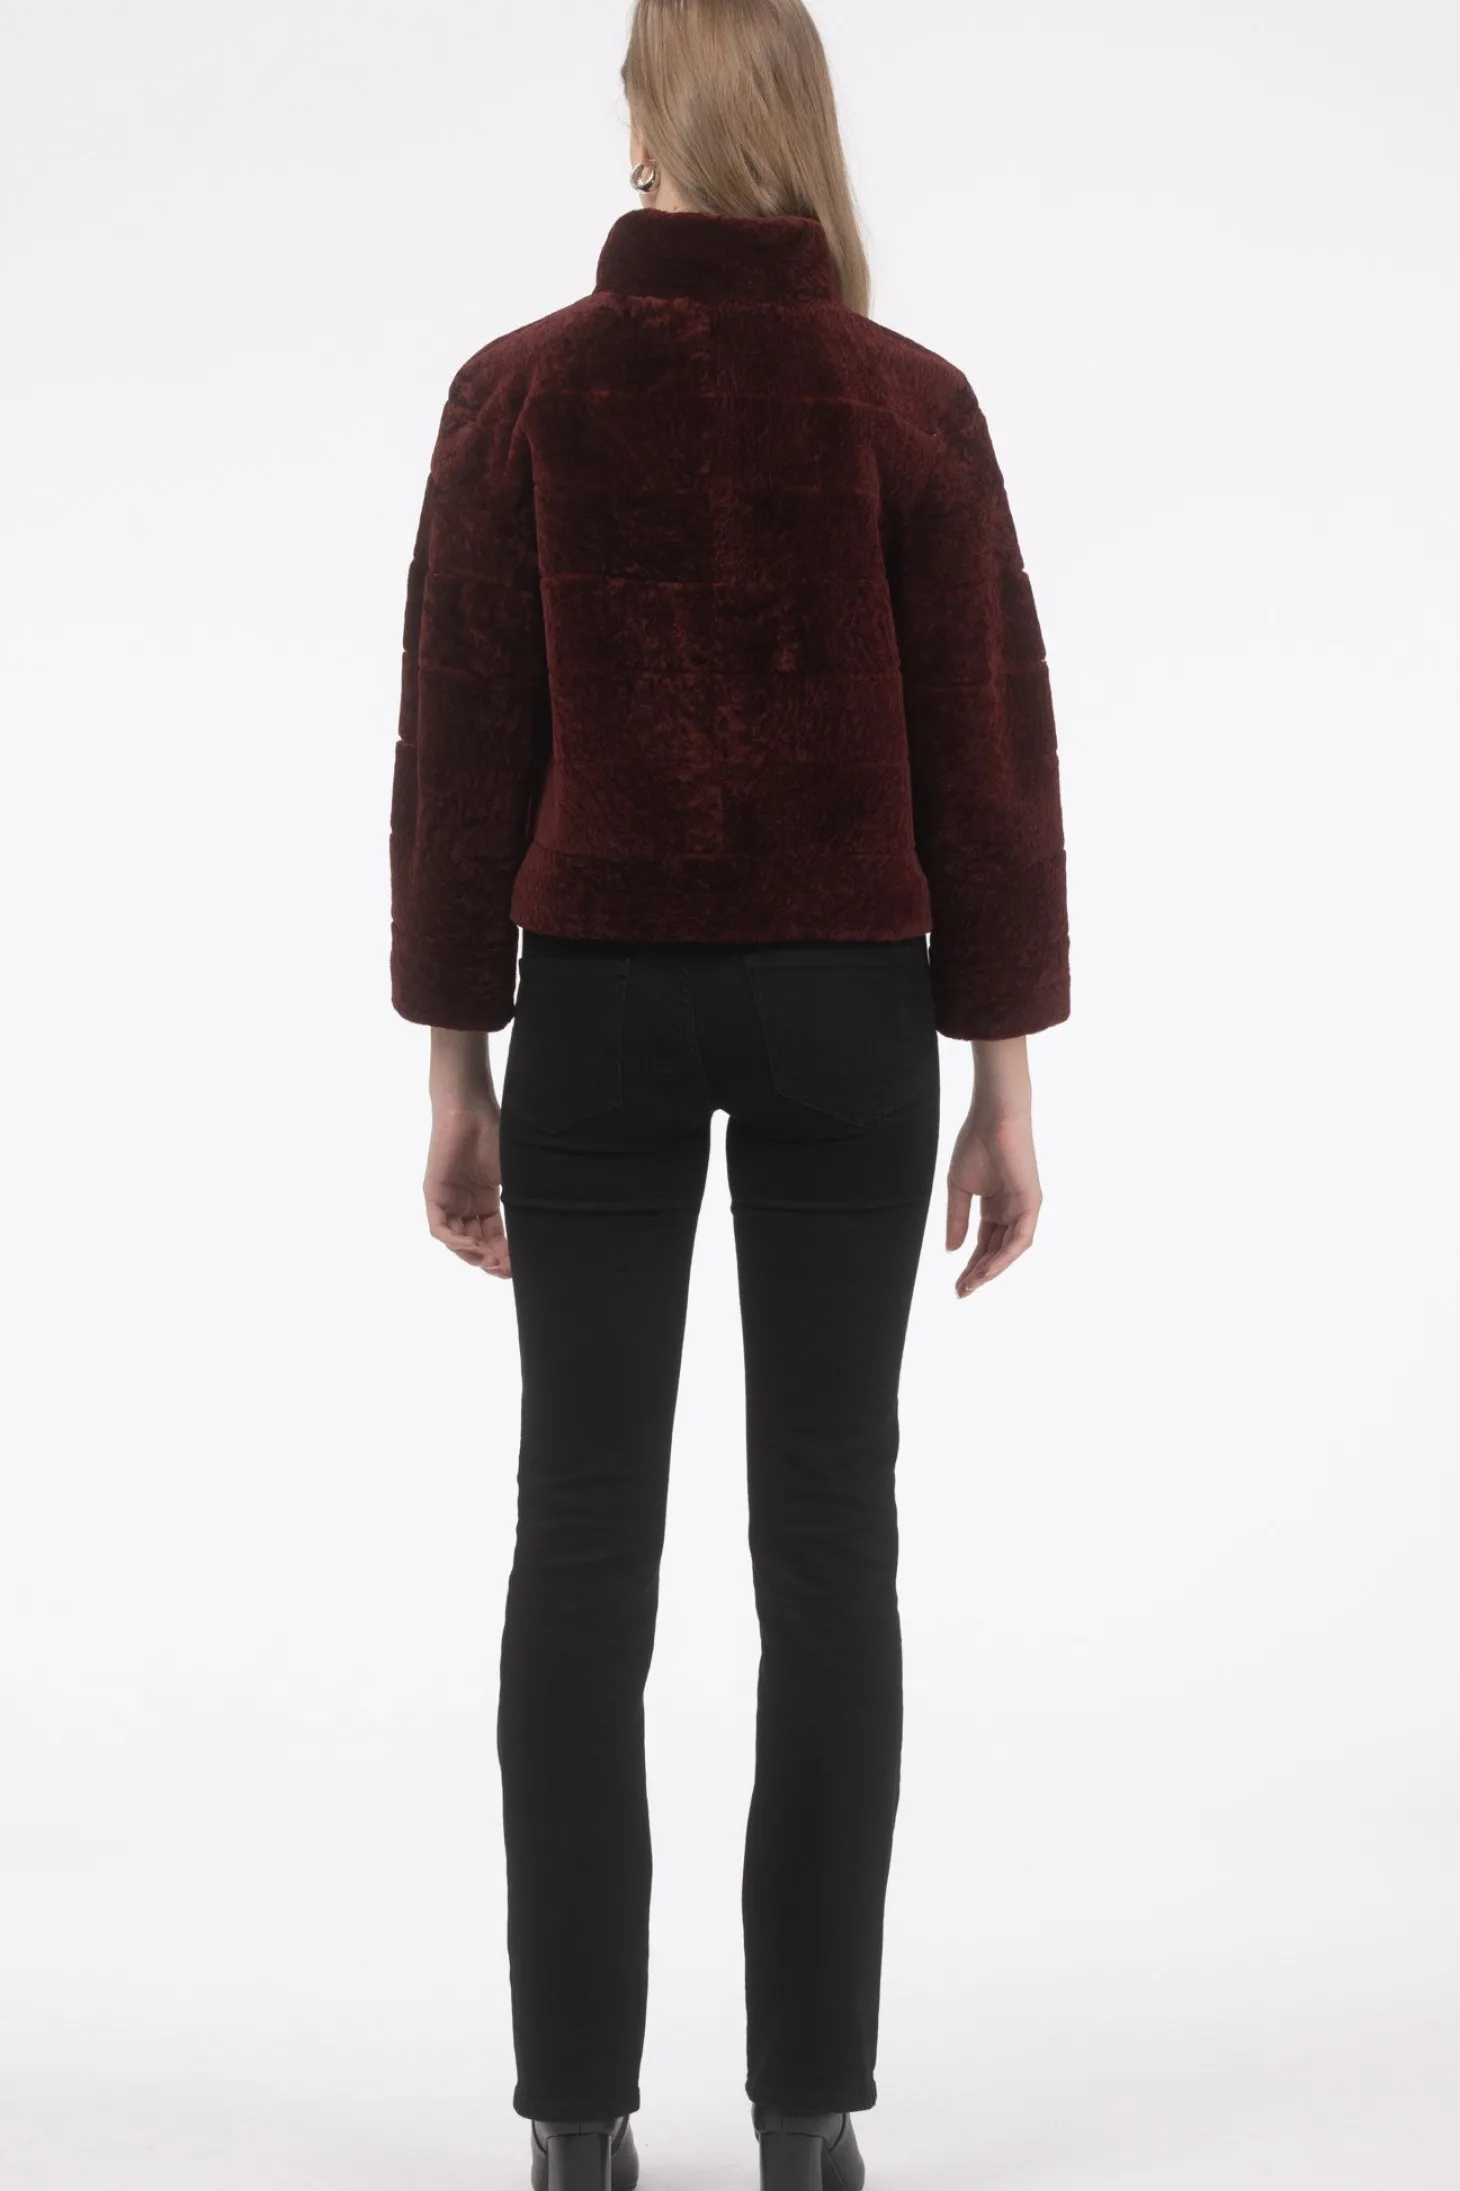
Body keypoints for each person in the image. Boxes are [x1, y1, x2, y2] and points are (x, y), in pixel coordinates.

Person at [388, 1, 1069, 2183]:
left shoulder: (519, 393)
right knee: (831, 1542)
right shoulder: (906, 399)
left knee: (582, 1539)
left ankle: (576, 2129)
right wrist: (1004, 1076)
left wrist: (455, 1059)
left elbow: (458, 754)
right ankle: (806, 2123)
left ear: (642, 130)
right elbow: (989, 759)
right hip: (848, 1018)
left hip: (589, 1010)